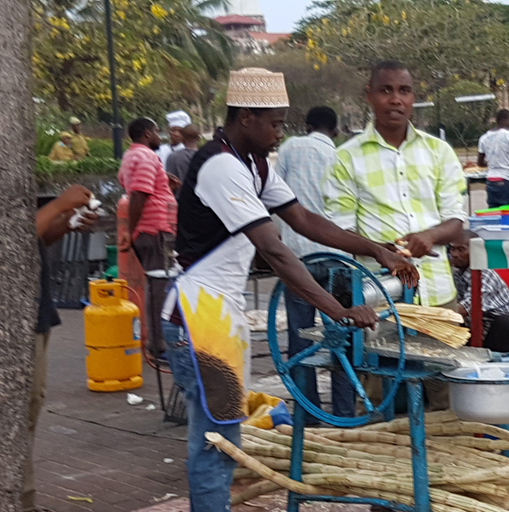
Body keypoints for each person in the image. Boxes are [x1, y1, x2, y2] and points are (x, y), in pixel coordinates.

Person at [163, 67, 417, 512]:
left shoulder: (254, 164)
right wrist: (337, 309)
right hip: (198, 316)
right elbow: (275, 250)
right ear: (246, 117)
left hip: (219, 314)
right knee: (215, 442)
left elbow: (304, 221)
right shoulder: (222, 166)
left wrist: (377, 250)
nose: (282, 132)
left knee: (225, 434)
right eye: (275, 123)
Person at [324, 61, 466, 412]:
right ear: (369, 96)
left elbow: (457, 220)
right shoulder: (345, 159)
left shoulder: (439, 152)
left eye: (404, 91)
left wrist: (430, 236)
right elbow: (339, 231)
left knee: (448, 403)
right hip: (379, 301)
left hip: (437, 298)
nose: (395, 99)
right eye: (385, 90)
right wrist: (381, 251)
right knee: (384, 406)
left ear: (414, 97)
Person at [274, 105, 356, 422]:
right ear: (334, 130)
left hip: (299, 257)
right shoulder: (343, 155)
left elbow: (274, 198)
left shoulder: (290, 147)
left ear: (306, 126)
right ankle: (345, 412)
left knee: (300, 337)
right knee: (344, 339)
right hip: (339, 258)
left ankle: (308, 414)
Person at [24, 185, 97, 512]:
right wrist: (58, 207)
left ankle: (23, 498)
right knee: (17, 408)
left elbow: (33, 240)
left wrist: (65, 222)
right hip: (6, 318)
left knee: (30, 405)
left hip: (33, 311)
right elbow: (6, 241)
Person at [117, 118, 179, 359]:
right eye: (155, 131)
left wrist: (165, 183)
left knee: (156, 286)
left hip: (150, 230)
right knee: (160, 288)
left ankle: (158, 342)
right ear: (145, 134)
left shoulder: (130, 157)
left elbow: (133, 185)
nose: (159, 136)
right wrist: (131, 232)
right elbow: (139, 195)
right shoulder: (146, 157)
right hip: (156, 231)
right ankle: (159, 344)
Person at [449, 230, 509, 353]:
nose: (455, 254)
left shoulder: (485, 275)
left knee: (503, 323)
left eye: (461, 250)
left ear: (475, 251)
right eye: (452, 249)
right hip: (474, 327)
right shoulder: (457, 274)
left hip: (499, 330)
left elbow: (464, 308)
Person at [165, 123, 200, 194]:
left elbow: (170, 184)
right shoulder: (205, 156)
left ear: (183, 138)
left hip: (180, 199)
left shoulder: (173, 157)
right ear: (199, 138)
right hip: (201, 200)